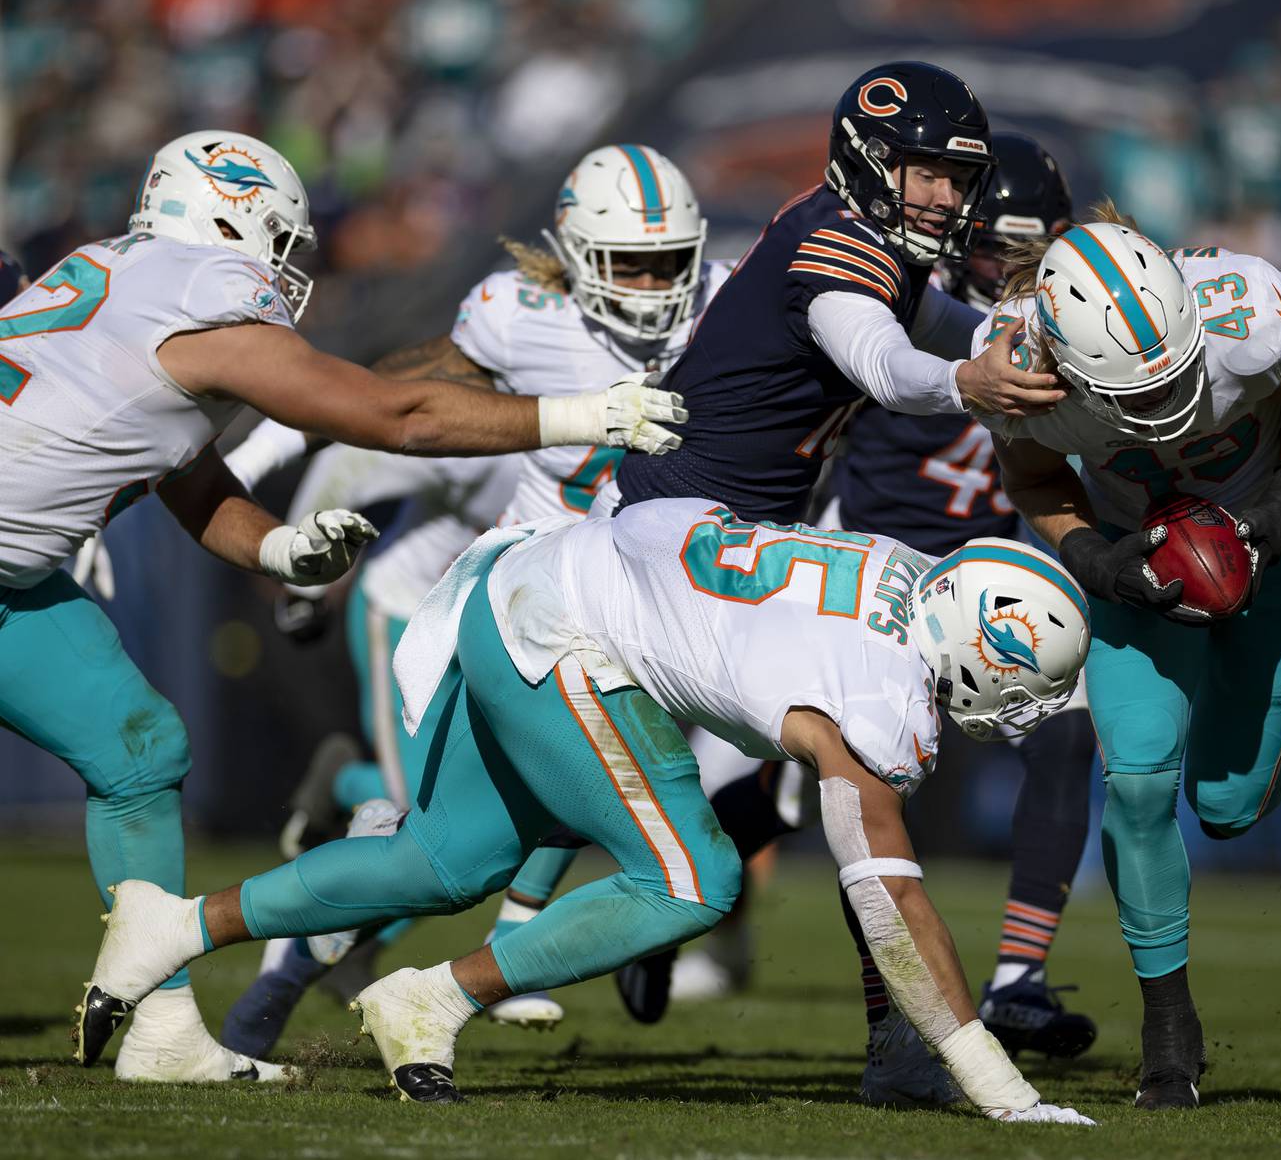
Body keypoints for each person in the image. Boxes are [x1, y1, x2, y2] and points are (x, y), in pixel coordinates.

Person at [0, 128, 682, 1084]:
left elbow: (183, 471)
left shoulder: (115, 271)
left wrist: (276, 544)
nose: (285, 266)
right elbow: (393, 414)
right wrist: (580, 414)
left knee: (139, 750)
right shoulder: (203, 289)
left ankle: (158, 1033)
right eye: (279, 238)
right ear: (231, 215)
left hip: (14, 582)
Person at [78, 497, 1095, 1127]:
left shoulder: (906, 574)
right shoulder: (884, 695)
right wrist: (989, 1076)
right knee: (696, 877)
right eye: (1025, 679)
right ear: (978, 642)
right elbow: (887, 900)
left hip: (530, 587)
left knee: (442, 863)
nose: (1024, 705)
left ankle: (171, 925)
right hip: (568, 636)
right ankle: (434, 998)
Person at [217, 143, 730, 1055]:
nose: (653, 287)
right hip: (476, 612)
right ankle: (287, 956)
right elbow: (373, 410)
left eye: (668, 263)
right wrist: (257, 474)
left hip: (607, 613)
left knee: (538, 815)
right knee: (431, 845)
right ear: (575, 258)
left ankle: (477, 948)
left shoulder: (728, 306)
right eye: (629, 264)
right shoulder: (514, 316)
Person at [973, 207, 1281, 1109]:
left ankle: (1268, 713)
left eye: (1174, 379)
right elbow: (1031, 476)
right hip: (1132, 551)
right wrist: (1093, 559)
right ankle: (1170, 1032)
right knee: (1139, 784)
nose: (1163, 410)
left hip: (1266, 535)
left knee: (1224, 809)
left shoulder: (1251, 309)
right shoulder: (1019, 367)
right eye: (1134, 400)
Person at [826, 133, 1099, 1081]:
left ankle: (1018, 975)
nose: (1014, 274)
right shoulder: (900, 302)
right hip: (879, 572)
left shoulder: (1069, 323)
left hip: (987, 581)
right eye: (998, 252)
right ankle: (701, 921)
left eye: (1034, 253)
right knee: (814, 798)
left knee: (1067, 735)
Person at [598, 60, 1067, 526]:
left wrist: (1055, 346)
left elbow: (943, 324)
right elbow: (884, 367)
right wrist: (965, 382)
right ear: (869, 160)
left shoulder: (870, 235)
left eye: (961, 181)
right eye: (928, 176)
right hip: (677, 513)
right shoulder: (840, 240)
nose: (947, 199)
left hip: (732, 515)